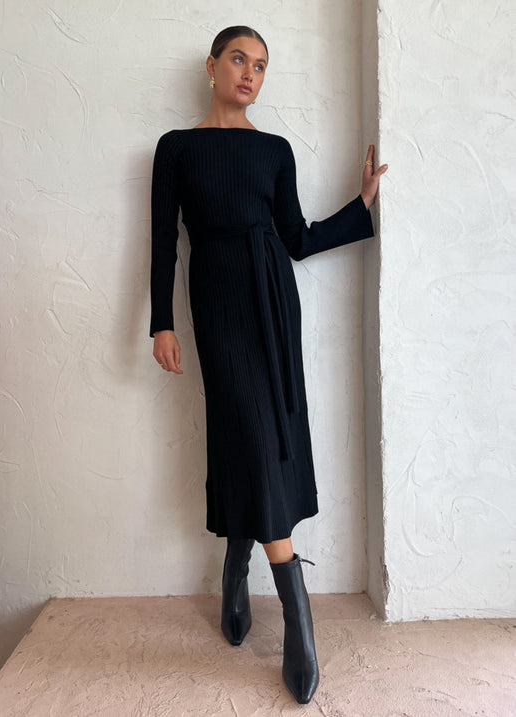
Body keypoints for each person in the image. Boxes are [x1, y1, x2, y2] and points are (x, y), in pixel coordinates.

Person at [150, 25, 387, 704]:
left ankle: (239, 555)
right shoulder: (177, 148)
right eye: (238, 60)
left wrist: (360, 206)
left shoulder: (274, 150)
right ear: (212, 66)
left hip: (272, 299)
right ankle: (296, 610)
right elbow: (163, 238)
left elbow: (297, 239)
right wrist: (161, 322)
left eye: (260, 65)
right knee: (248, 430)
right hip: (217, 296)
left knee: (263, 433)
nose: (249, 73)